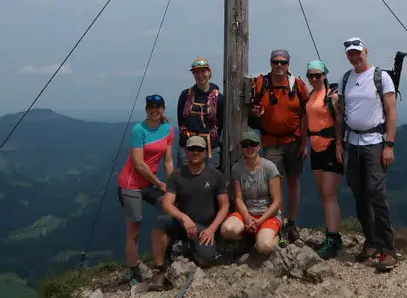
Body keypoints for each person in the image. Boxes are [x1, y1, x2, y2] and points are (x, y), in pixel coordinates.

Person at [336, 37, 398, 272]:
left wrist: (389, 145)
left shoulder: (381, 77)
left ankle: (388, 248)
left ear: (366, 52)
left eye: (357, 52)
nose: (354, 56)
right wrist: (339, 145)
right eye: (350, 53)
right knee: (358, 192)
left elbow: (391, 113)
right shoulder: (346, 79)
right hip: (352, 142)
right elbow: (340, 114)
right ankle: (371, 241)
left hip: (374, 142)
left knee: (376, 193)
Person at [149, 136, 229, 288]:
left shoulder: (215, 176)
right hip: (183, 224)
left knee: (206, 260)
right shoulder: (177, 175)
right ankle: (159, 269)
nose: (195, 152)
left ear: (206, 152)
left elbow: (224, 205)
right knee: (160, 222)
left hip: (205, 229)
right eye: (192, 149)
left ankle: (189, 249)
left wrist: (212, 229)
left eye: (199, 149)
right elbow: (167, 204)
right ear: (185, 151)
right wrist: (184, 218)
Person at [247, 48, 308, 242]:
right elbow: (250, 108)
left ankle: (292, 221)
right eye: (276, 62)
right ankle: (279, 222)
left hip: (294, 141)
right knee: (276, 184)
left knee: (294, 181)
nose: (279, 66)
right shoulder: (261, 84)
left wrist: (305, 144)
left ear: (288, 64)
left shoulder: (297, 84)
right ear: (271, 63)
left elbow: (305, 114)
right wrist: (255, 114)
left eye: (283, 62)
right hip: (271, 141)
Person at [116, 93, 175, 286]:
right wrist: (160, 184)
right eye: (150, 107)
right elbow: (139, 164)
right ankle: (133, 269)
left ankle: (167, 257)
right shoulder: (138, 130)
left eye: (157, 107)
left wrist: (173, 185)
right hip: (131, 183)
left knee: (171, 210)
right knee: (135, 228)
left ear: (163, 109)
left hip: (150, 183)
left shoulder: (168, 129)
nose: (154, 110)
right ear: (146, 109)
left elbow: (168, 160)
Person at [304, 59, 345, 258]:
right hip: (315, 146)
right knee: (325, 194)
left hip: (330, 146)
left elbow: (339, 120)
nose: (314, 78)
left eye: (317, 75)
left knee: (329, 193)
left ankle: (332, 236)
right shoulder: (310, 95)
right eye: (310, 75)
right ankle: (334, 236)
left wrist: (339, 145)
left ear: (324, 75)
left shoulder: (333, 96)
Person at [220, 130, 283, 256]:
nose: (249, 148)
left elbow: (277, 201)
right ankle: (251, 235)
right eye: (245, 145)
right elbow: (238, 198)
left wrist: (260, 221)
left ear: (259, 146)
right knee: (227, 230)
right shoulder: (237, 169)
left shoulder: (269, 168)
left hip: (268, 215)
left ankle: (275, 237)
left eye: (253, 144)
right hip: (247, 213)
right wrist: (247, 217)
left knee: (265, 247)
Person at [176, 57, 225, 170]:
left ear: (209, 72)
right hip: (187, 145)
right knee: (185, 180)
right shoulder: (185, 95)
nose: (200, 75)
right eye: (196, 72)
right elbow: (181, 120)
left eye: (203, 71)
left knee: (210, 181)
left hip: (209, 147)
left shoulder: (219, 99)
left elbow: (220, 123)